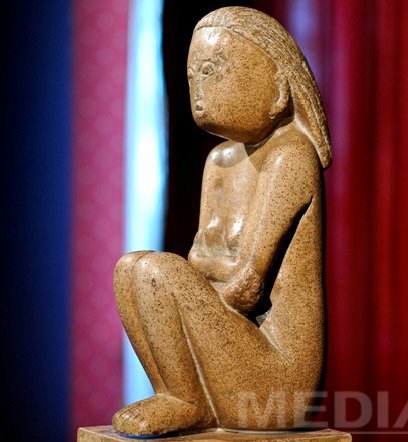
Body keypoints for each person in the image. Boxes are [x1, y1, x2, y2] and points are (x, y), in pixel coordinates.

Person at [111, 7, 332, 436]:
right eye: (193, 75)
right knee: (130, 269)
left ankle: (186, 400)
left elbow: (246, 286)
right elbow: (200, 264)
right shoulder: (219, 161)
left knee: (157, 271)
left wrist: (197, 281)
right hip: (233, 352)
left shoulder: (291, 156)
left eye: (212, 71)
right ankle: (179, 394)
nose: (199, 88)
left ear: (277, 87)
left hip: (276, 384)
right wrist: (200, 278)